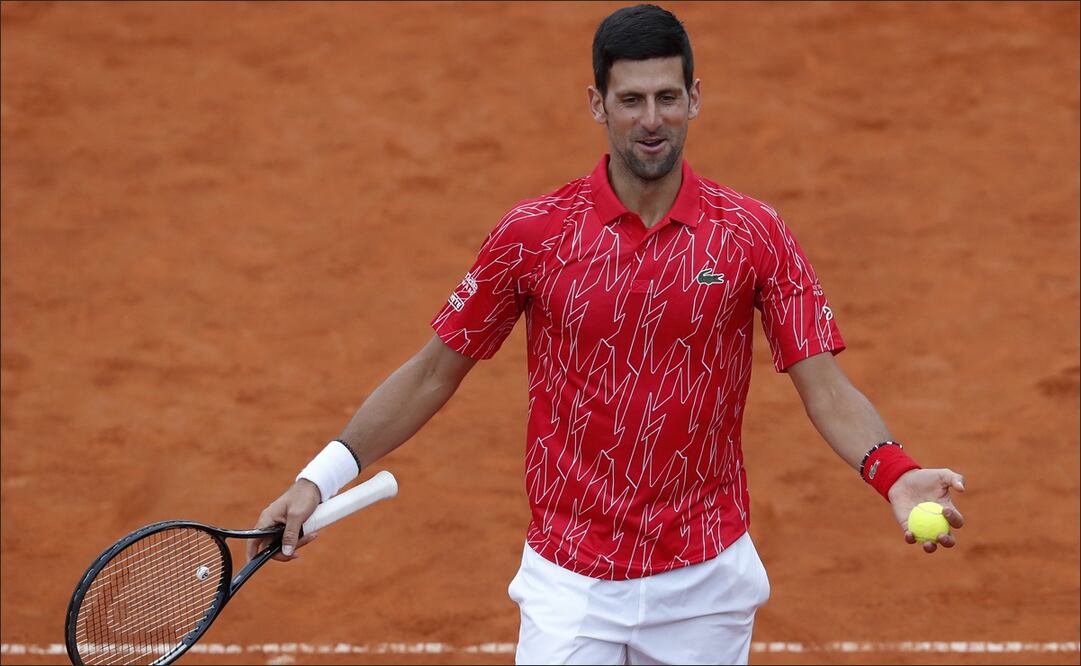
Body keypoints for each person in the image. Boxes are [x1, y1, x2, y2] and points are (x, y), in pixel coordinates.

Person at [248, 4, 966, 664]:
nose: (650, 120)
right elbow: (434, 372)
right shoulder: (533, 235)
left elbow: (825, 387)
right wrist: (319, 479)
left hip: (706, 583)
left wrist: (895, 475)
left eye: (665, 97)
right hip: (569, 581)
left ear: (693, 99)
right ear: (598, 105)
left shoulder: (752, 234)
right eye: (629, 101)